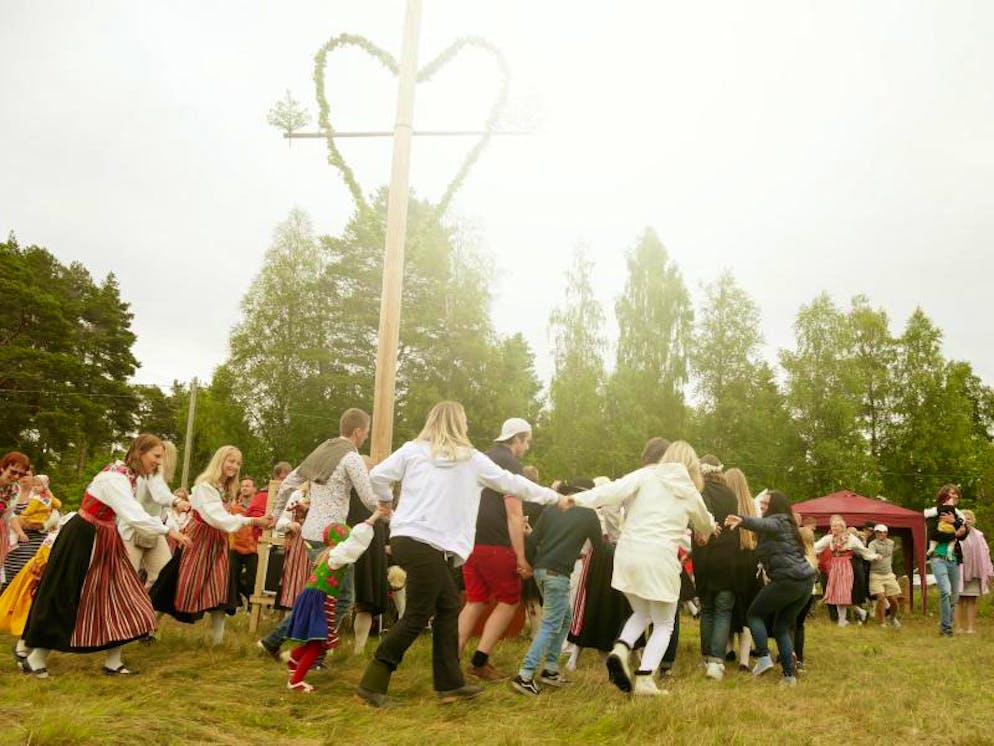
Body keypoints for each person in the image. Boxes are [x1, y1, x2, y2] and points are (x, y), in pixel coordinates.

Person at [355, 401, 562, 708]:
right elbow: (513, 484)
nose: (466, 426)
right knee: (417, 614)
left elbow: (377, 477)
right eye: (464, 421)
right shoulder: (470, 459)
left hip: (407, 539)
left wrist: (385, 502)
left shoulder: (413, 450)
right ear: (458, 424)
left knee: (449, 605)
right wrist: (555, 497)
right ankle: (372, 683)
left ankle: (450, 684)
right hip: (426, 543)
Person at [19, 434, 192, 678]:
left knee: (119, 595)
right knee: (67, 593)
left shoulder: (133, 476)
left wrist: (174, 503)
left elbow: (157, 494)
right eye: (156, 456)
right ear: (140, 452)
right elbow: (132, 513)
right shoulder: (115, 478)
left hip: (106, 537)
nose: (159, 462)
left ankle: (113, 661)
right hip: (83, 537)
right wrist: (169, 530)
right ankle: (35, 657)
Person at [563, 441, 716, 697]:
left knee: (642, 612)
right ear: (692, 466)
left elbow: (611, 491)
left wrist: (575, 499)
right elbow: (705, 522)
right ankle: (645, 679)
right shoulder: (689, 490)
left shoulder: (646, 475)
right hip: (659, 559)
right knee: (664, 622)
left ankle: (621, 650)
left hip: (627, 554)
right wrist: (711, 527)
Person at [258, 409, 378, 657]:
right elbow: (368, 498)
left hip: (311, 534)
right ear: (358, 431)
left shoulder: (322, 451)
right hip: (333, 538)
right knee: (342, 598)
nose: (366, 436)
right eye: (366, 431)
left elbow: (288, 484)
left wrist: (276, 513)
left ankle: (273, 641)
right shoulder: (351, 458)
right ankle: (312, 653)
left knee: (316, 595)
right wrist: (389, 509)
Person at [150, 446, 273, 644]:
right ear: (220, 461)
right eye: (230, 461)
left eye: (237, 463)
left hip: (219, 543)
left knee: (221, 588)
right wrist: (252, 521)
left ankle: (217, 641)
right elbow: (218, 519)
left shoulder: (227, 489)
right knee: (176, 583)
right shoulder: (205, 487)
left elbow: (224, 520)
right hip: (198, 540)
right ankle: (148, 629)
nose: (234, 466)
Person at [458, 417, 536, 681]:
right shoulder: (511, 464)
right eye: (526, 442)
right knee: (509, 600)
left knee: (475, 600)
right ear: (517, 439)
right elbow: (514, 513)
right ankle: (480, 661)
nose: (526, 448)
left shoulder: (480, 458)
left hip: (471, 542)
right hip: (496, 543)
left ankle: (450, 658)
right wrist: (522, 556)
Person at [510, 478, 603, 696]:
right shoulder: (589, 514)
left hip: (542, 571)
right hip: (558, 574)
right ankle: (525, 675)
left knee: (564, 620)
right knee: (551, 624)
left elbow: (533, 541)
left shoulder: (553, 509)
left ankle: (550, 669)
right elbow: (599, 547)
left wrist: (533, 564)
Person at [284, 509, 386, 693]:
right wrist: (372, 519)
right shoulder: (338, 556)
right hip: (320, 600)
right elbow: (356, 543)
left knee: (316, 639)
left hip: (315, 597)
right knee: (319, 642)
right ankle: (296, 681)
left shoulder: (328, 555)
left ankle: (294, 657)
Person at [724, 490, 817, 687]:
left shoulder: (779, 521)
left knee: (753, 614)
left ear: (776, 506)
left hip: (788, 580)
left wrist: (742, 520)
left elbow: (764, 523)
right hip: (805, 583)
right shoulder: (788, 526)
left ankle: (764, 657)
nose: (763, 506)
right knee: (781, 626)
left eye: (767, 503)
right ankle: (789, 677)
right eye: (762, 503)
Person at [693, 455, 741, 682]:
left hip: (706, 559)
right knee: (723, 611)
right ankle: (716, 662)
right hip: (728, 560)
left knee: (708, 610)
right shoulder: (731, 495)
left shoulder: (701, 493)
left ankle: (706, 657)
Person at [121, 441, 189, 590]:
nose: (158, 461)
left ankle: (143, 610)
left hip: (154, 531)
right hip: (134, 530)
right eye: (156, 456)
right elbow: (159, 494)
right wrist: (176, 501)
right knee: (125, 579)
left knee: (164, 576)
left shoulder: (159, 478)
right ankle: (126, 609)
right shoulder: (151, 473)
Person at [723, 467, 760, 672]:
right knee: (746, 609)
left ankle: (728, 649)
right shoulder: (752, 504)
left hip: (730, 558)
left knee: (728, 604)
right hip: (749, 558)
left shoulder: (725, 502)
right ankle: (745, 660)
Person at [813, 515, 878, 626]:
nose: (833, 528)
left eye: (836, 526)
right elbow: (816, 547)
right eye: (832, 526)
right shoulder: (829, 538)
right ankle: (857, 614)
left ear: (842, 527)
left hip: (845, 567)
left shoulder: (851, 538)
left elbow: (862, 550)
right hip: (835, 567)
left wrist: (874, 556)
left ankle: (843, 620)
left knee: (842, 594)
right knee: (836, 594)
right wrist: (804, 548)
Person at [925, 485, 968, 637]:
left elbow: (964, 534)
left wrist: (953, 522)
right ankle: (946, 628)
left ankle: (947, 626)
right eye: (951, 494)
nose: (955, 497)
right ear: (944, 496)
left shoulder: (957, 515)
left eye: (956, 495)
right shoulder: (933, 514)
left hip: (954, 558)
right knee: (945, 591)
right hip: (938, 557)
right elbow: (934, 535)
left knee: (954, 596)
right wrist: (955, 533)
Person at [2, 468, 49, 592]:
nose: (23, 478)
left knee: (27, 583)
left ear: (33, 476)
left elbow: (51, 518)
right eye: (20, 475)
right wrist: (18, 523)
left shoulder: (41, 494)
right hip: (11, 547)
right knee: (8, 581)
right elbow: (6, 517)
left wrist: (39, 525)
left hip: (33, 545)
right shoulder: (11, 492)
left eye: (26, 475)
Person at [228, 477, 262, 610]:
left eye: (248, 486)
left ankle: (251, 605)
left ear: (254, 489)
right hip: (235, 546)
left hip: (253, 548)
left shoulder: (258, 508)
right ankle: (236, 602)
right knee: (232, 574)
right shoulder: (234, 508)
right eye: (242, 486)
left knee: (251, 580)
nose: (244, 488)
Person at [957, 509, 993, 634]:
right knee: (959, 600)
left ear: (973, 520)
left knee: (971, 600)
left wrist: (989, 571)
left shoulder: (979, 535)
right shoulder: (955, 533)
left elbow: (985, 553)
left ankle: (971, 628)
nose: (967, 520)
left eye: (970, 517)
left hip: (975, 572)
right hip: (959, 572)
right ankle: (959, 628)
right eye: (964, 517)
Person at [867, 524, 903, 628]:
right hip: (876, 575)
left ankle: (892, 618)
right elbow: (870, 554)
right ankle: (882, 622)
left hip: (889, 574)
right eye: (877, 532)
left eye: (881, 532)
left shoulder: (891, 543)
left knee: (894, 600)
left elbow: (890, 557)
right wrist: (874, 556)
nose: (879, 534)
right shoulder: (872, 544)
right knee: (881, 597)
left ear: (886, 533)